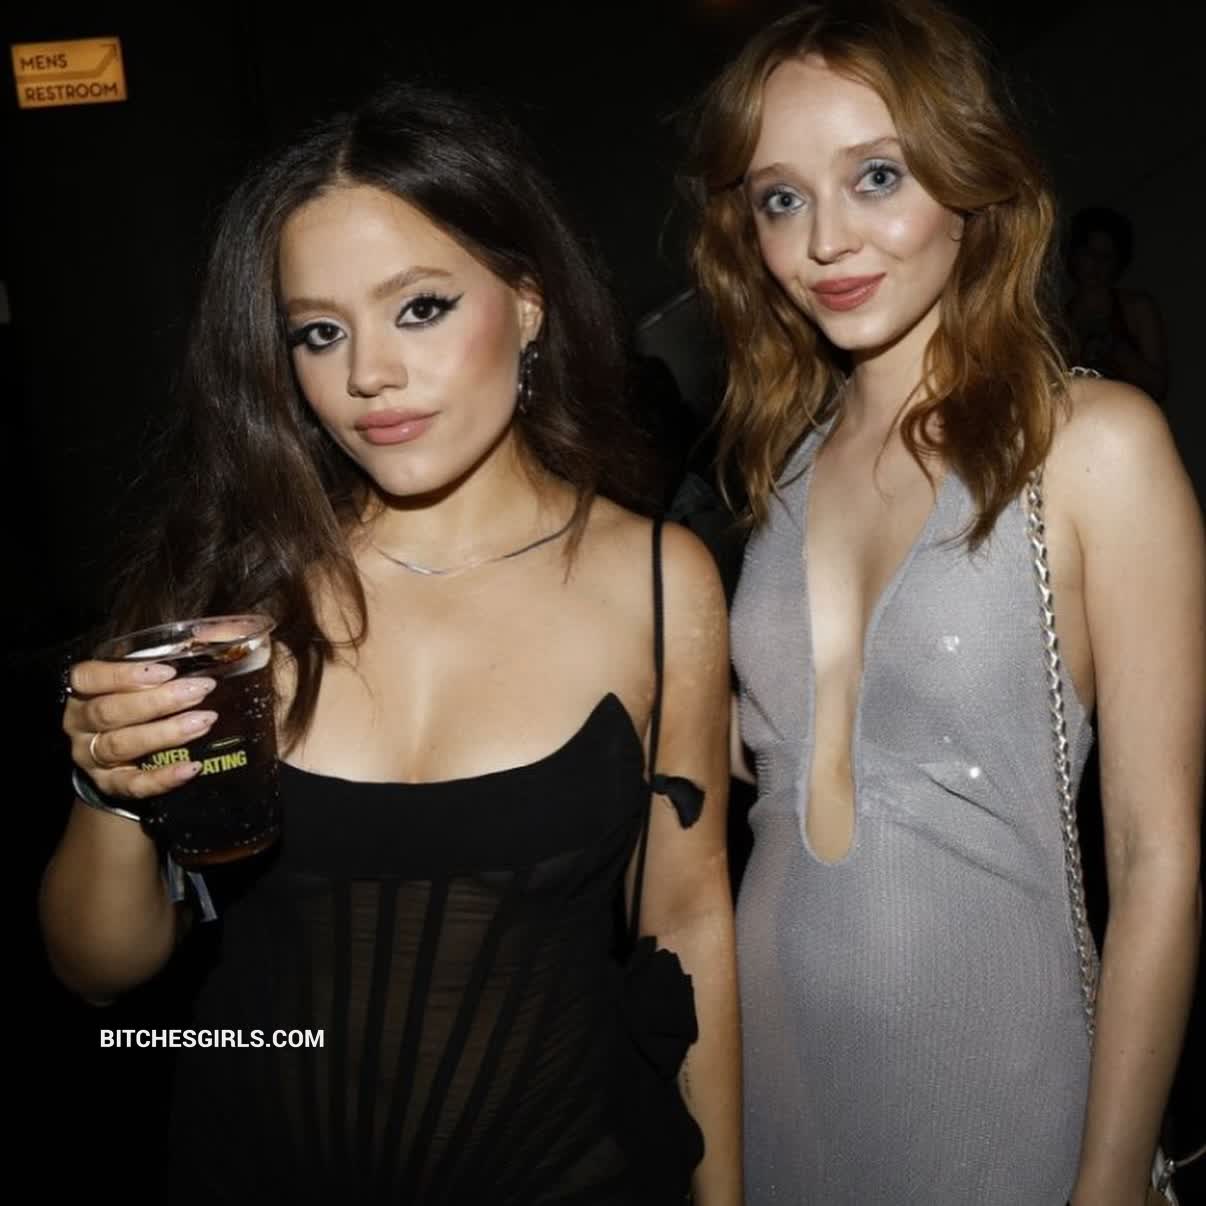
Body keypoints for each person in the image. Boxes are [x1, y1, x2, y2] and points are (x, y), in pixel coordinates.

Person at [40, 81, 741, 1205]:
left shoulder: (659, 581)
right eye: (320, 332)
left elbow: (689, 921)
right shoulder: (234, 596)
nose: (368, 374)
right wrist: (108, 789)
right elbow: (100, 974)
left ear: (527, 303)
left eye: (419, 308)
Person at [685, 2, 1203, 1203]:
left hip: (1000, 1088)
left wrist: (1108, 1185)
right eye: (780, 198)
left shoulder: (1093, 447)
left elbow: (1158, 858)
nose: (826, 240)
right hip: (779, 1089)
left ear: (970, 181)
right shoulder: (782, 470)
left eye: (877, 176)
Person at [1062, 204, 1169, 402]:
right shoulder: (1058, 320)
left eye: (1106, 256)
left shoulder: (1137, 308)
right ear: (1074, 255)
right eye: (1089, 252)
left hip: (1127, 413)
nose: (1096, 263)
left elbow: (1158, 386)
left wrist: (1115, 349)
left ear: (1118, 262)